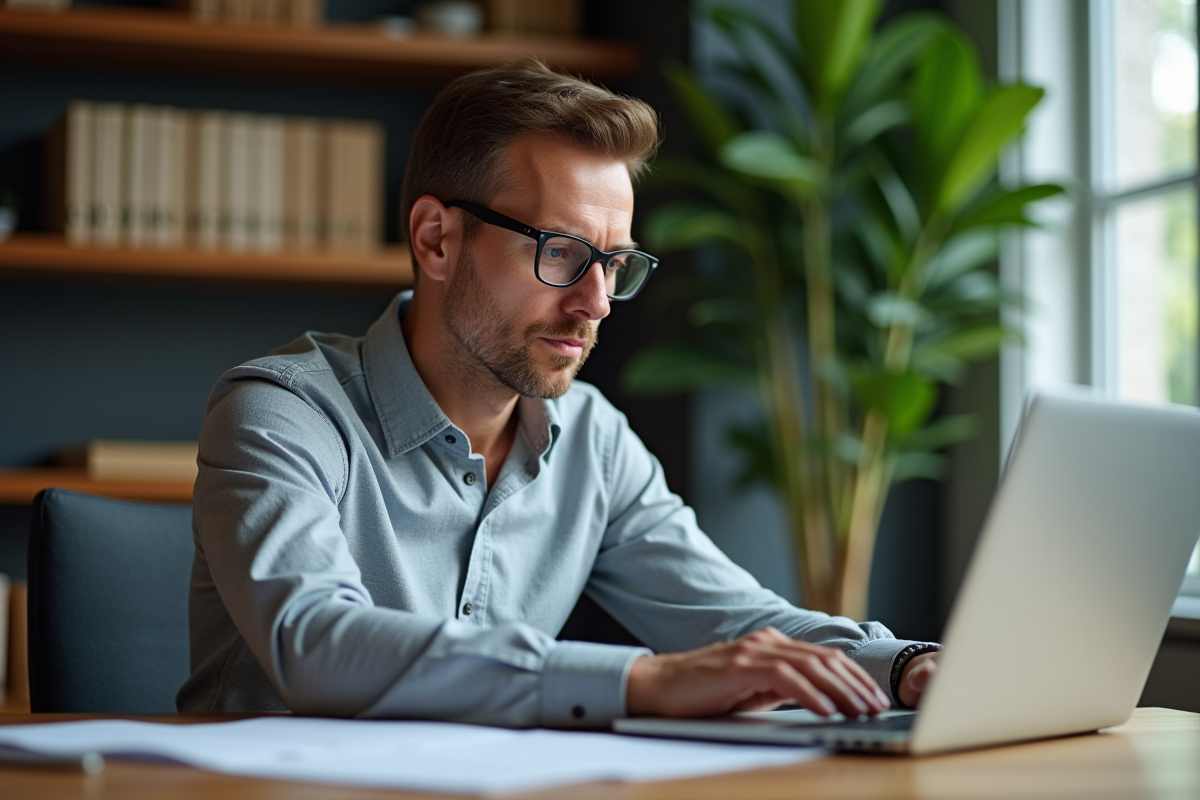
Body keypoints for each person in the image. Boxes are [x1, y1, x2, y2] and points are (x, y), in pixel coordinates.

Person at [177, 60, 941, 724]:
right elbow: (317, 643)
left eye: (612, 262)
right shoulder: (280, 414)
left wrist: (903, 664)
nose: (597, 302)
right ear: (436, 239)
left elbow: (736, 623)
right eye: (562, 252)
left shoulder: (593, 439)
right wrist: (639, 680)